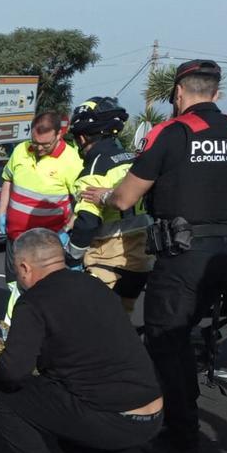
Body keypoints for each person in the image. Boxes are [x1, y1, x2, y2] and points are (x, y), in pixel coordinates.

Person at [82, 59, 227, 453]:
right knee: (184, 335)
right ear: (216, 93)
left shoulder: (171, 133)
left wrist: (103, 196)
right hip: (226, 254)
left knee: (167, 343)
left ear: (178, 94)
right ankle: (180, 409)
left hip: (183, 254)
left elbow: (127, 197)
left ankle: (179, 443)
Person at [0, 229, 198, 453]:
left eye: (18, 271)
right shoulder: (95, 285)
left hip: (112, 418)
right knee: (74, 444)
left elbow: (14, 372)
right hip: (153, 411)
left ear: (25, 267)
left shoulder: (33, 302)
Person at [64, 97, 152, 313]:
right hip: (141, 261)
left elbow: (87, 222)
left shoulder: (94, 171)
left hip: (107, 264)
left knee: (95, 326)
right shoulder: (131, 160)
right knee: (122, 319)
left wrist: (70, 256)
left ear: (82, 137)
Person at [0, 112, 83, 326]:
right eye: (34, 142)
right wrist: (2, 213)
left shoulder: (71, 160)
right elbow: (7, 180)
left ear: (59, 135)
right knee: (14, 284)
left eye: (44, 144)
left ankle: (31, 328)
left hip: (46, 244)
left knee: (42, 291)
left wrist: (67, 230)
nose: (38, 148)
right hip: (15, 237)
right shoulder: (20, 150)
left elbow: (80, 201)